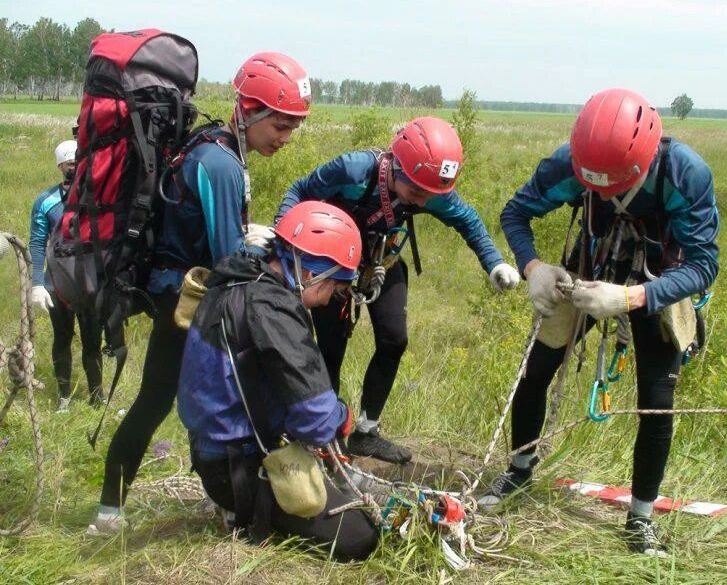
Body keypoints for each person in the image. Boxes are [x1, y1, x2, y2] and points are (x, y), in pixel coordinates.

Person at [480, 88, 720, 557]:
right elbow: (516, 213)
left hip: (657, 284)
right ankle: (519, 469)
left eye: (613, 185)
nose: (604, 192)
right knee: (536, 371)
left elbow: (703, 264)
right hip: (587, 273)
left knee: (656, 400)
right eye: (596, 186)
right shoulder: (572, 162)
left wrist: (633, 296)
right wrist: (534, 269)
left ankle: (641, 518)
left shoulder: (683, 173)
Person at [88, 52, 312, 535]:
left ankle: (118, 508)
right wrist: (264, 256)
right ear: (249, 110)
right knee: (199, 400)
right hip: (185, 306)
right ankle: (219, 505)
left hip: (180, 296)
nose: (285, 137)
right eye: (280, 124)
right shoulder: (221, 163)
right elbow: (229, 261)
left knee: (163, 400)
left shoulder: (213, 148)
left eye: (293, 127)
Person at [276, 116, 520, 464]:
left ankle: (366, 432)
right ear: (396, 166)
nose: (422, 202)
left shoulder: (427, 187)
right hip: (333, 268)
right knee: (331, 350)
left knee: (394, 339)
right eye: (417, 193)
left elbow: (466, 219)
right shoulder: (352, 170)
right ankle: (323, 438)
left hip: (380, 262)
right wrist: (281, 239)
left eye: (432, 195)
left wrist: (494, 262)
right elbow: (299, 191)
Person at [177, 200, 378, 562]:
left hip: (216, 449)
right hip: (236, 467)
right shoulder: (272, 310)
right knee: (359, 537)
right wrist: (343, 417)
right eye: (334, 284)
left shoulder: (235, 279)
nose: (332, 296)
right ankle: (242, 512)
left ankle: (243, 502)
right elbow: (316, 421)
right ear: (308, 272)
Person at [29, 139, 104, 413]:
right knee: (62, 338)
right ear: (60, 165)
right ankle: (63, 396)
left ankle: (97, 397)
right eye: (70, 162)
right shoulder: (46, 201)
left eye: (79, 162)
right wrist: (37, 283)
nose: (75, 167)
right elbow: (37, 243)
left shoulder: (97, 199)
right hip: (57, 283)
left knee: (93, 341)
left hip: (90, 283)